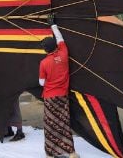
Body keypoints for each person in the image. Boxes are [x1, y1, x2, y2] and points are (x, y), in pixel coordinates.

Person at [39, 19, 79, 158]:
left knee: (50, 126)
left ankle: (51, 153)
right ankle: (71, 152)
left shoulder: (44, 63)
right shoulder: (63, 53)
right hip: (63, 95)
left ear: (45, 49)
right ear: (55, 45)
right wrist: (53, 25)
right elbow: (60, 38)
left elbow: (41, 83)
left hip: (50, 97)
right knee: (64, 123)